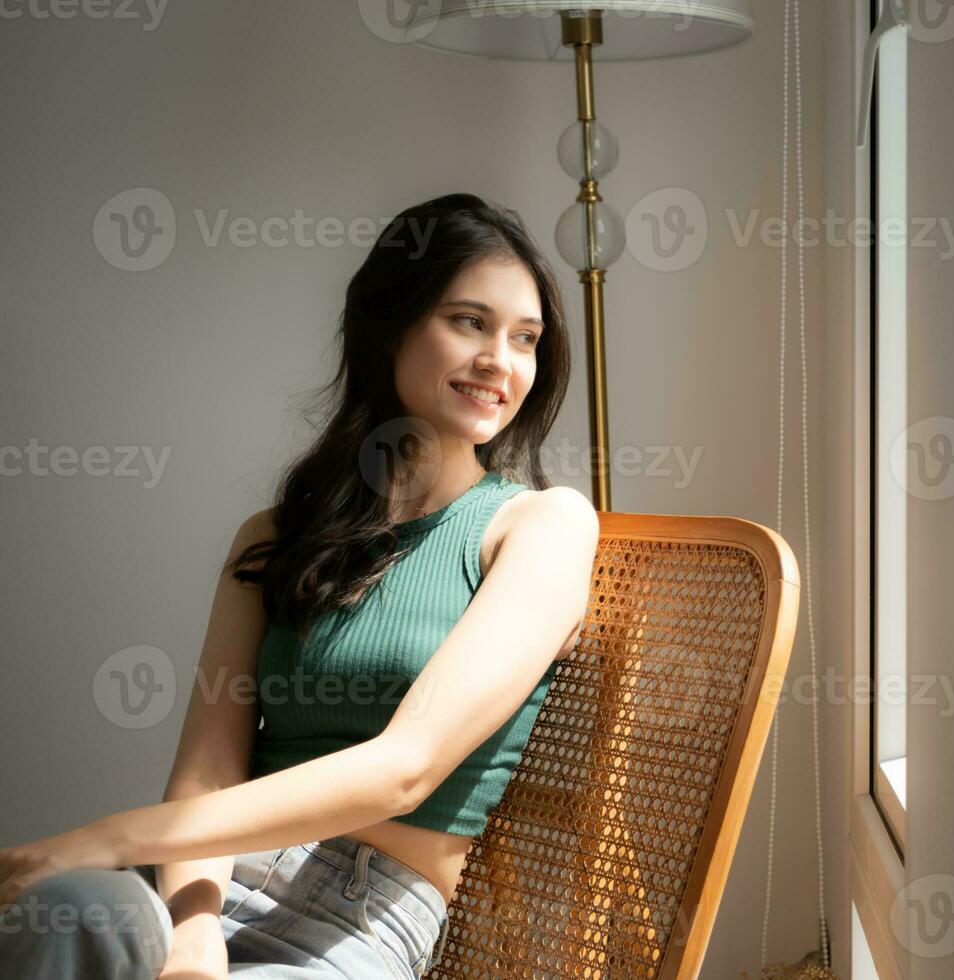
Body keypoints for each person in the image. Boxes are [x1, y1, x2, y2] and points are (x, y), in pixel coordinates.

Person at [0, 193, 600, 979]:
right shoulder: (276, 535)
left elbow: (405, 768)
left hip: (362, 916)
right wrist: (192, 936)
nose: (502, 361)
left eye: (525, 338)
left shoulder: (542, 526)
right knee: (69, 909)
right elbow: (208, 771)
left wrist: (111, 835)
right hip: (204, 878)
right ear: (389, 326)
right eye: (469, 322)